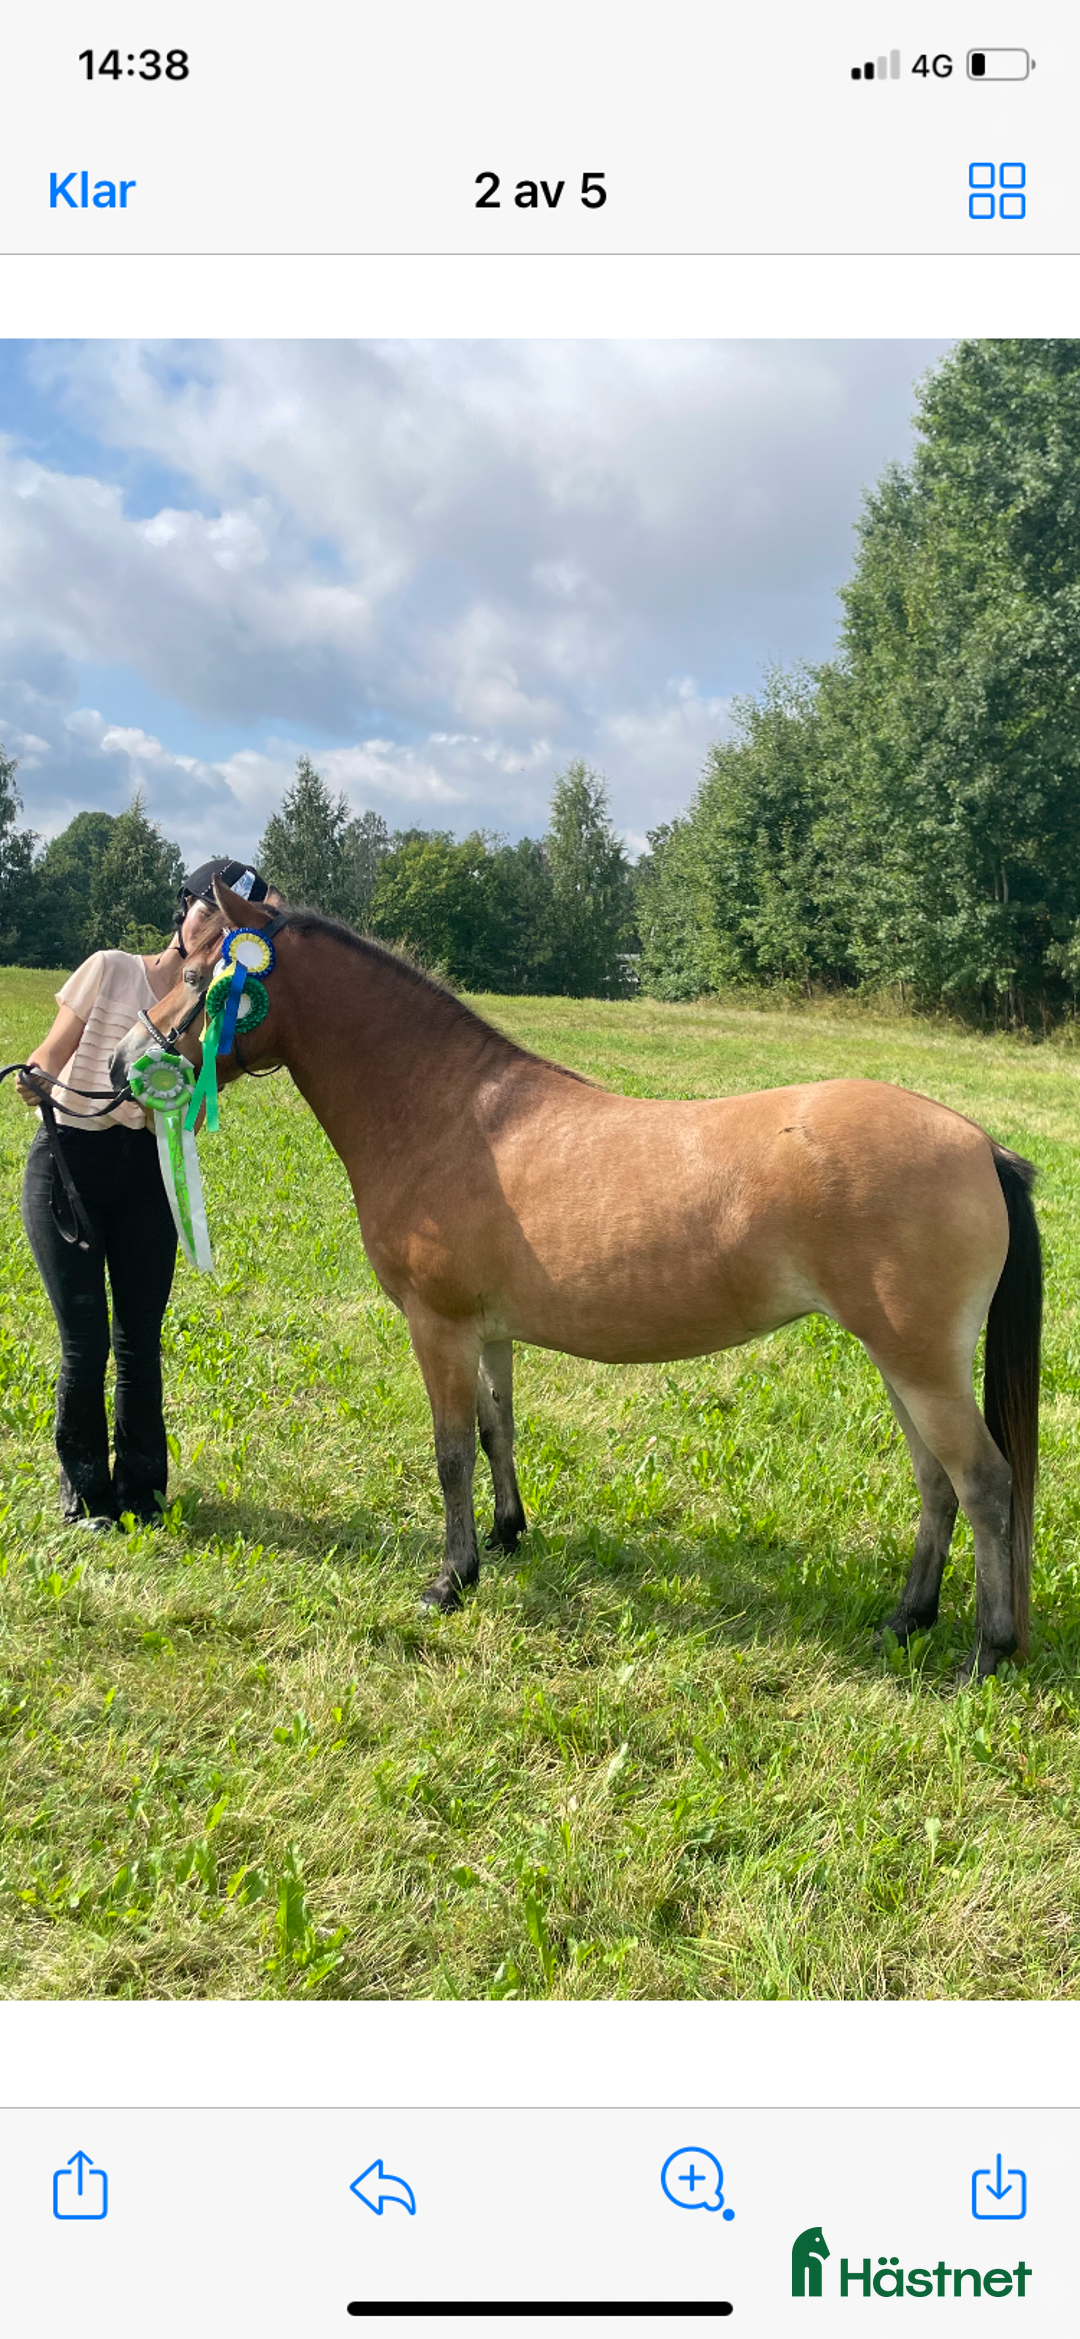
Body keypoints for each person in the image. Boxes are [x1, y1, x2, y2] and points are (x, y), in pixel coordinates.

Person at [18, 857, 272, 1531]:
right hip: (69, 1160)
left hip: (145, 1172)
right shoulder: (112, 967)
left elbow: (187, 1102)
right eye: (207, 911)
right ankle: (85, 1498)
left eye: (230, 924)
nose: (215, 929)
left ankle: (142, 1492)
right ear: (182, 908)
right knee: (86, 1340)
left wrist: (202, 999)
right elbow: (51, 1051)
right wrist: (37, 1076)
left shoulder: (213, 1003)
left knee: (138, 1339)